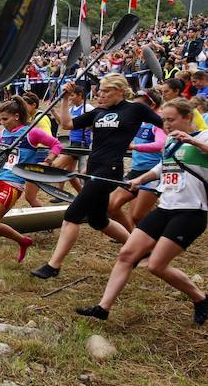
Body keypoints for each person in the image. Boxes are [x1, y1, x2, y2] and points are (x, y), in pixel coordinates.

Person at [76, 98, 207, 325]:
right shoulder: (170, 142)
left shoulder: (203, 137)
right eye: (164, 119)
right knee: (127, 254)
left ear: (187, 118)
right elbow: (162, 167)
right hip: (165, 207)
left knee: (156, 265)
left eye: (172, 119)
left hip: (190, 212)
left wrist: (194, 143)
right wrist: (140, 179)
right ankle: (103, 308)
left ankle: (200, 298)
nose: (166, 124)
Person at [31, 74, 165, 279]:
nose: (100, 95)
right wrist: (65, 98)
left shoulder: (135, 109)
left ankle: (53, 265)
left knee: (73, 214)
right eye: (99, 91)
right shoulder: (99, 112)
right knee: (98, 220)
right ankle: (141, 250)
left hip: (110, 168)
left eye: (106, 91)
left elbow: (165, 123)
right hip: (94, 167)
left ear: (120, 90)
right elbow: (67, 124)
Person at [0, 96, 62, 279]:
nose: (2, 123)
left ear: (16, 116)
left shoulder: (31, 133)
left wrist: (48, 160)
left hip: (14, 184)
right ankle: (23, 241)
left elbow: (56, 144)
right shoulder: (5, 134)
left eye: (5, 119)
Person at [107, 89, 166, 231]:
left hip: (152, 173)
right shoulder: (139, 122)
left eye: (138, 106)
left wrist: (134, 147)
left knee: (138, 216)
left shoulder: (158, 121)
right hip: (136, 170)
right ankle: (132, 235)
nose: (134, 108)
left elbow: (160, 145)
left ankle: (150, 242)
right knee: (111, 206)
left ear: (151, 106)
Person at [50, 87, 93, 194]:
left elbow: (96, 120)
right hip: (73, 141)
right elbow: (62, 123)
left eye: (72, 95)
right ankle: (81, 194)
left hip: (81, 144)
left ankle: (59, 193)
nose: (70, 98)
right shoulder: (71, 109)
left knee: (57, 165)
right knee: (69, 172)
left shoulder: (87, 107)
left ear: (80, 95)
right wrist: (53, 111)